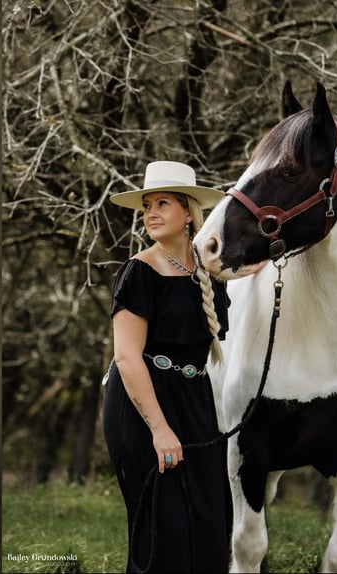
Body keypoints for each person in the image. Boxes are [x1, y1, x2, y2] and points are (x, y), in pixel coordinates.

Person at [102, 161, 231, 573]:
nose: (150, 213)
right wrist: (160, 430)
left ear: (189, 212)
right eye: (146, 206)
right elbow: (125, 357)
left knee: (212, 518)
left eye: (162, 203)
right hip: (142, 402)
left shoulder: (207, 273)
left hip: (195, 399)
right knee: (165, 525)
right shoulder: (139, 271)